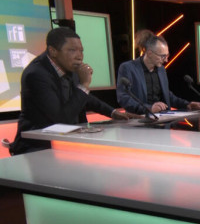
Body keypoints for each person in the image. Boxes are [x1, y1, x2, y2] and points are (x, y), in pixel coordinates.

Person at [10, 27, 137, 156]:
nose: (79, 56)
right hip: (37, 147)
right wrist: (84, 84)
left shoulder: (69, 67)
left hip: (66, 145)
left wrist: (113, 112)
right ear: (53, 51)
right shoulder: (36, 74)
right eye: (72, 50)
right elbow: (60, 118)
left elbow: (84, 97)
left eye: (81, 51)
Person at [116, 35, 200, 114]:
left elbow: (167, 96)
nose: (166, 60)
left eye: (167, 56)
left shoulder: (161, 69)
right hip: (139, 119)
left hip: (162, 119)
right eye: (162, 56)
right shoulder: (128, 68)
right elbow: (123, 97)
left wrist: (187, 104)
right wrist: (149, 108)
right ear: (149, 53)